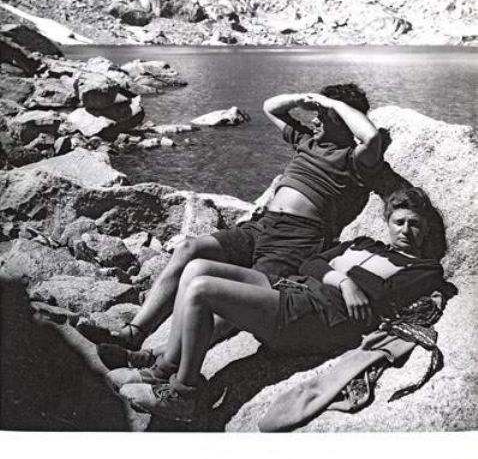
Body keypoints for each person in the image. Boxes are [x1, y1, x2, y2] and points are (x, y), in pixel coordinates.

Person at [77, 83, 384, 353]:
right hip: (260, 226)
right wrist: (304, 99)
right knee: (189, 249)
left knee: (238, 300)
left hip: (297, 240)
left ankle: (163, 357)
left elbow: (371, 137)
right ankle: (135, 332)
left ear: (342, 119)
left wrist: (333, 104)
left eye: (324, 116)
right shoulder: (307, 140)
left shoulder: (354, 159)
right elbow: (270, 107)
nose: (315, 119)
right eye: (317, 114)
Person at [111, 187, 450, 423]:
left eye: (415, 225)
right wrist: (344, 280)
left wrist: (337, 274)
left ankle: (183, 395)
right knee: (196, 267)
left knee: (202, 291)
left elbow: (378, 293)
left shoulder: (424, 269)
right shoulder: (364, 243)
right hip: (295, 288)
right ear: (389, 223)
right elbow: (310, 263)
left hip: (320, 316)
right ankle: (163, 370)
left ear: (425, 231)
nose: (406, 230)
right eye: (400, 222)